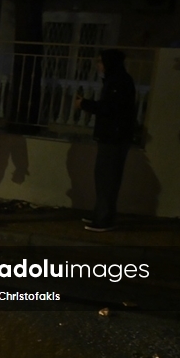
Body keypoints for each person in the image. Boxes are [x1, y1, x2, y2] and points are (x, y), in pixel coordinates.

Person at [75, 49, 137, 232]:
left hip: (114, 137)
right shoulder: (116, 80)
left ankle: (104, 219)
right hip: (112, 136)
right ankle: (100, 214)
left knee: (107, 178)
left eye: (101, 62)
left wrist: (84, 104)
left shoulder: (118, 81)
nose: (98, 65)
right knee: (103, 177)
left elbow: (110, 108)